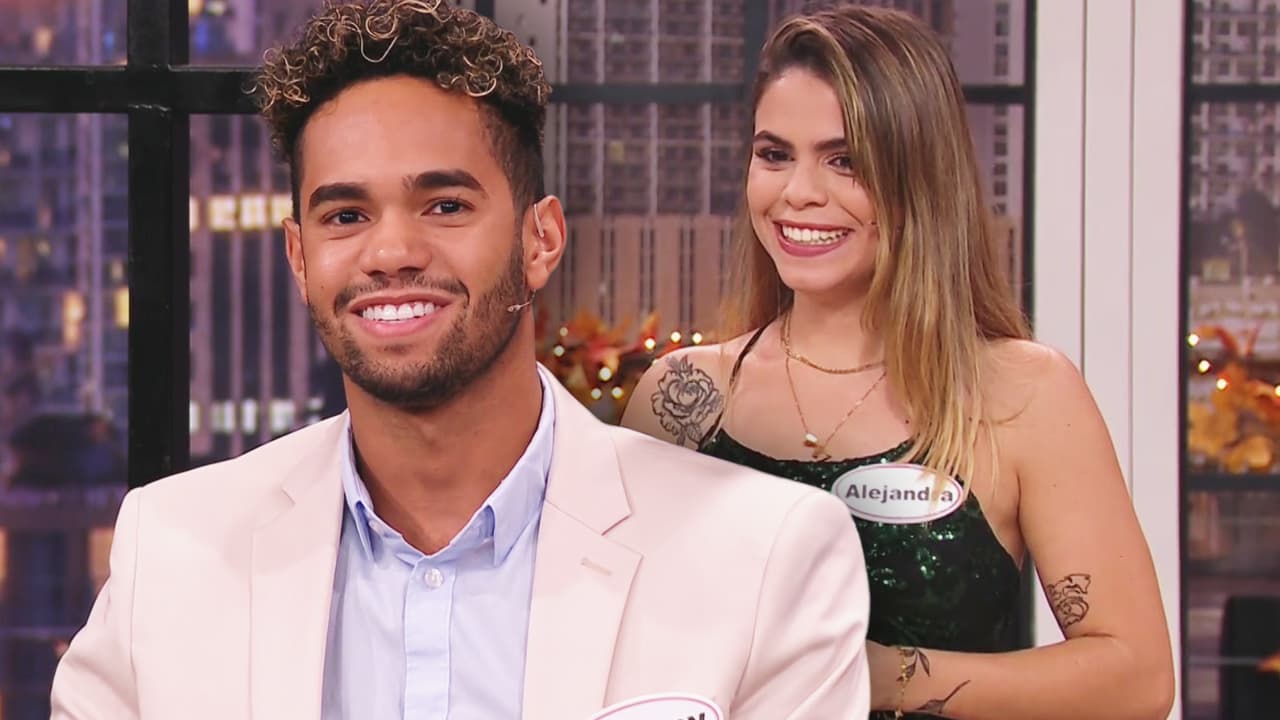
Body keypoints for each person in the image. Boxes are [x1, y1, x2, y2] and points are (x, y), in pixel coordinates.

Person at [49, 2, 872, 718]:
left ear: (540, 239)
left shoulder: (764, 556)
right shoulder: (172, 552)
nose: (391, 252)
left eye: (444, 205)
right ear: (299, 258)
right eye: (346, 216)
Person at [623, 6, 1175, 719]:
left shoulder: (1023, 395)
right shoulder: (680, 397)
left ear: (920, 177)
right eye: (775, 155)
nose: (799, 192)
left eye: (845, 161)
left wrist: (875, 676)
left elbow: (1136, 678)